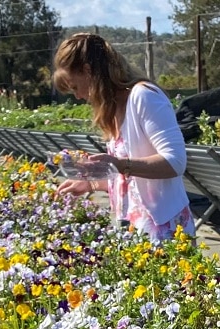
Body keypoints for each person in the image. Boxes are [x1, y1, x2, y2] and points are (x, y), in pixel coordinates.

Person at [53, 33, 195, 243]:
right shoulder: (114, 107)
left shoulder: (144, 96)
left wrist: (118, 164)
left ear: (88, 71)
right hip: (134, 228)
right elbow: (131, 182)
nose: (78, 96)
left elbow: (175, 162)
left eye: (75, 86)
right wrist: (91, 185)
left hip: (165, 230)